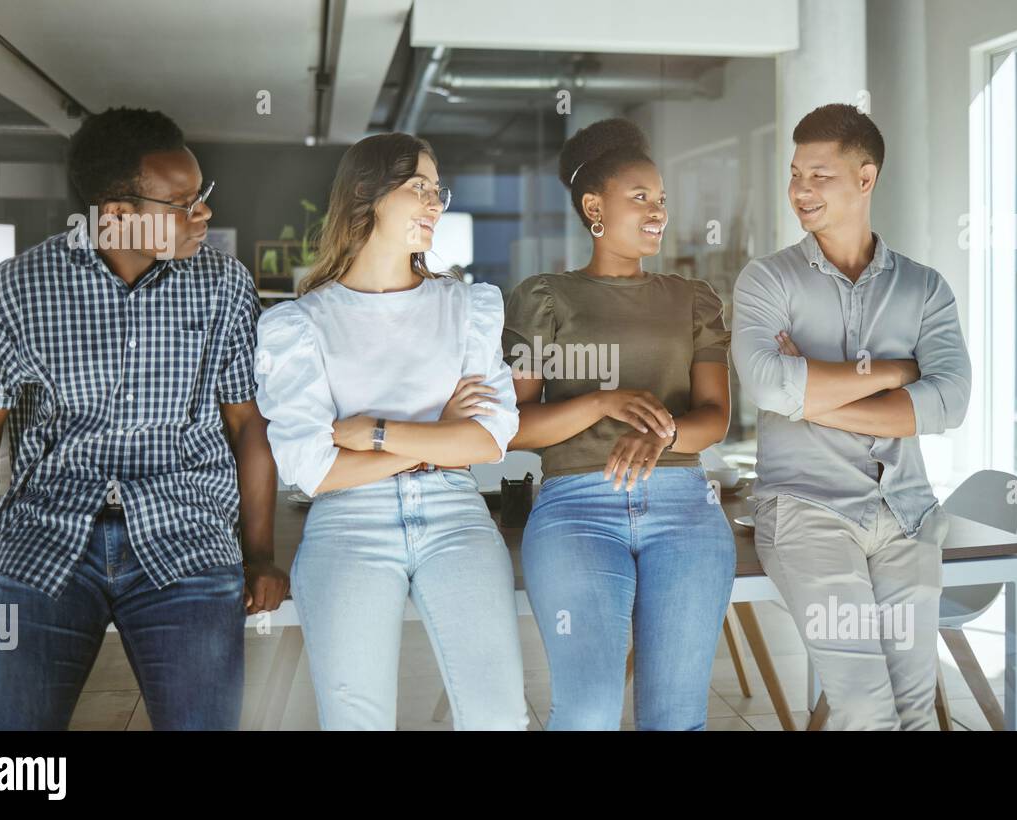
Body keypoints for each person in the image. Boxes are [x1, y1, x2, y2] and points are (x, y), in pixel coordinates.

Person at [0, 107, 285, 730]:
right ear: (120, 214)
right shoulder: (16, 288)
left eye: (201, 194)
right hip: (43, 536)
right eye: (183, 203)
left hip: (187, 536)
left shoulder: (224, 285)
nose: (203, 212)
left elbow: (248, 426)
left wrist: (258, 552)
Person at [254, 133, 527, 730]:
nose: (436, 203)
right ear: (365, 195)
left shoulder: (469, 305)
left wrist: (372, 431)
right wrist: (435, 436)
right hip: (348, 523)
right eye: (418, 188)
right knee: (357, 721)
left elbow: (489, 440)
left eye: (438, 190)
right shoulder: (297, 324)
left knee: (499, 717)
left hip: (456, 515)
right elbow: (311, 469)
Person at [732, 103, 972, 730]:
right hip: (807, 511)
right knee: (865, 706)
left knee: (918, 710)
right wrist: (895, 372)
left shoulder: (925, 288)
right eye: (794, 175)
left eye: (819, 176)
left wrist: (812, 394)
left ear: (865, 179)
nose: (800, 192)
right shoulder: (767, 280)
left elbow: (950, 402)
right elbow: (766, 385)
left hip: (906, 514)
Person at [504, 118, 736, 730]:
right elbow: (511, 427)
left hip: (685, 506)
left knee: (677, 717)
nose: (657, 210)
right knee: (587, 712)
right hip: (576, 508)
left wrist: (662, 433)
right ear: (593, 207)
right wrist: (601, 402)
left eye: (661, 199)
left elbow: (715, 419)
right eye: (641, 197)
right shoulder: (544, 298)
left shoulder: (694, 299)